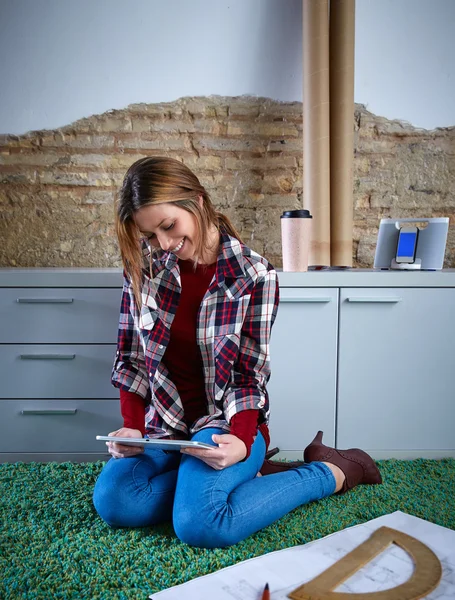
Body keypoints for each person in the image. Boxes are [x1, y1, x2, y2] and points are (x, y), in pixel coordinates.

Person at [93, 156, 382, 548]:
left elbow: (248, 374)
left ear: (196, 200)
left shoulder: (254, 275)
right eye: (150, 236)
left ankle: (329, 470)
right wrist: (133, 427)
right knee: (114, 499)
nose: (164, 245)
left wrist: (243, 440)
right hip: (166, 428)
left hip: (225, 424)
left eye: (168, 227)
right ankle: (229, 480)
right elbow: (129, 358)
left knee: (202, 525)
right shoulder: (143, 268)